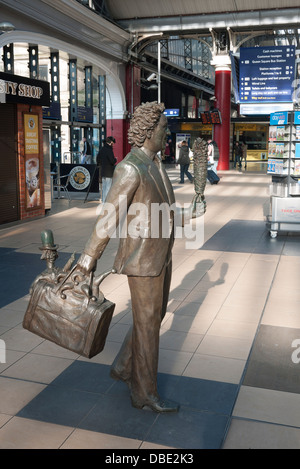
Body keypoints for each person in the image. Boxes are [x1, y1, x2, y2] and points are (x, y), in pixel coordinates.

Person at [76, 102, 179, 413]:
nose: (167, 133)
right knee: (148, 325)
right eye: (163, 128)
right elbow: (109, 217)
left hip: (161, 254)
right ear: (148, 131)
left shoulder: (156, 164)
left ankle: (123, 366)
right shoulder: (130, 168)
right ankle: (144, 393)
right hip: (143, 259)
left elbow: (157, 208)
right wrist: (88, 257)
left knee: (153, 316)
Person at [96, 136, 117, 202]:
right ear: (110, 142)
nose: (113, 144)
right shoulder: (109, 150)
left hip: (103, 172)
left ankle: (103, 202)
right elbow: (112, 161)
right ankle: (107, 202)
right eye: (113, 143)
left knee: (104, 188)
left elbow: (97, 159)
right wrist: (115, 159)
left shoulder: (102, 149)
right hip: (109, 172)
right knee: (108, 188)